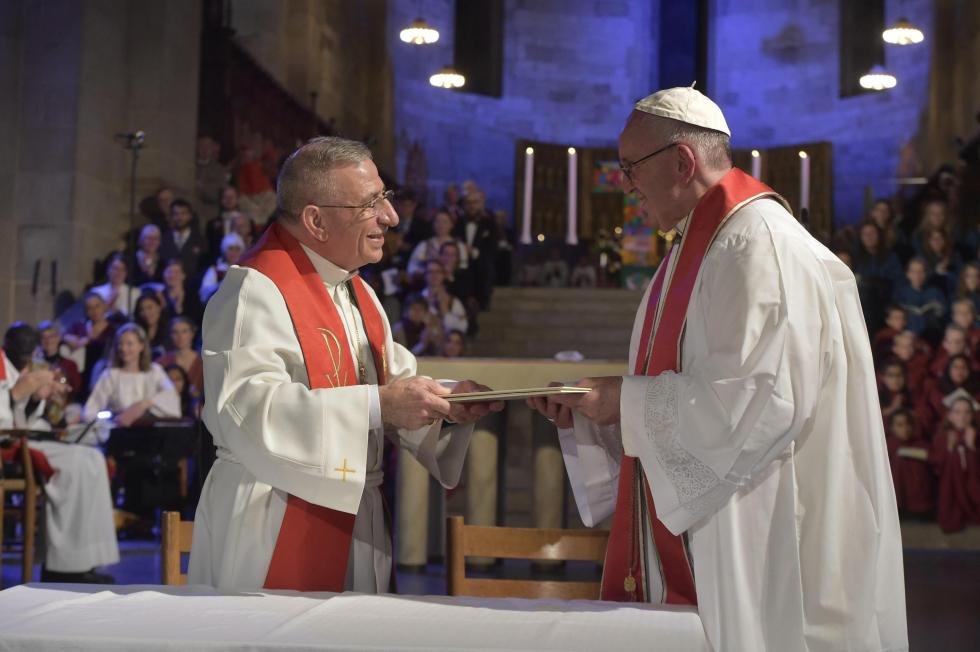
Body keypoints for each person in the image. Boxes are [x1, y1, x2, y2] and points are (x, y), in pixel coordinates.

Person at [529, 87, 907, 651]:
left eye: (631, 167)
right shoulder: (699, 247)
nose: (626, 184)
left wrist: (624, 402)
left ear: (683, 163)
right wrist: (601, 415)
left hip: (763, 527)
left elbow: (761, 402)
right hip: (722, 520)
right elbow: (694, 392)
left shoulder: (759, 245)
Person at [188, 136, 502, 594]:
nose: (390, 217)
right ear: (316, 220)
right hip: (273, 516)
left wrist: (445, 404)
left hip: (357, 511)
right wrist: (380, 406)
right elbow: (249, 412)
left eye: (385, 197)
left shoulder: (357, 291)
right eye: (370, 204)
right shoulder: (254, 290)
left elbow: (391, 384)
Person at [1, 322, 119, 583]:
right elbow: (6, 417)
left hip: (27, 435)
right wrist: (18, 393)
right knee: (74, 464)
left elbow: (27, 416)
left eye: (30, 348)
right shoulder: (2, 366)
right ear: (7, 345)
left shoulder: (26, 368)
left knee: (93, 458)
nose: (27, 354)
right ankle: (61, 566)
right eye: (22, 347)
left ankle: (87, 561)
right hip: (9, 442)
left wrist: (35, 398)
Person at [83, 324, 182, 430]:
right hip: (120, 431)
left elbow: (171, 397)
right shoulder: (111, 375)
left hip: (150, 432)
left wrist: (144, 404)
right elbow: (90, 411)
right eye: (120, 344)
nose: (124, 348)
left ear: (141, 346)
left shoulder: (155, 371)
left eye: (129, 344)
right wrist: (111, 423)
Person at [156, 316, 204, 398]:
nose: (180, 336)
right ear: (170, 335)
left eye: (184, 331)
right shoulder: (162, 362)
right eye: (175, 332)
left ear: (192, 334)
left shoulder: (203, 362)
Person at [199, 232, 245, 304]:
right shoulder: (215, 270)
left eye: (237, 249)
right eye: (231, 249)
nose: (234, 252)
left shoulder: (245, 270)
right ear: (224, 250)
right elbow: (204, 295)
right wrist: (222, 284)